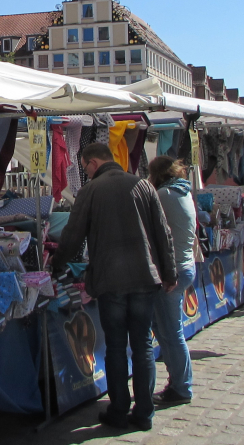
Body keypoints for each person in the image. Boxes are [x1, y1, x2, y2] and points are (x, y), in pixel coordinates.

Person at [52, 142, 177, 431]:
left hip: (110, 280)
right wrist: (169, 274)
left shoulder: (91, 191)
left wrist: (56, 264)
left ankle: (119, 409)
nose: (85, 173)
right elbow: (163, 231)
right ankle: (144, 413)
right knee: (143, 346)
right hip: (145, 278)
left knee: (117, 347)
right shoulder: (143, 186)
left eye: (84, 167)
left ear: (93, 163)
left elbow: (72, 235)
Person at [148, 156, 196, 405]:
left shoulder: (165, 195)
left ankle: (181, 386)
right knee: (167, 330)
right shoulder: (183, 191)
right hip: (184, 265)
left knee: (171, 333)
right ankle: (179, 383)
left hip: (172, 270)